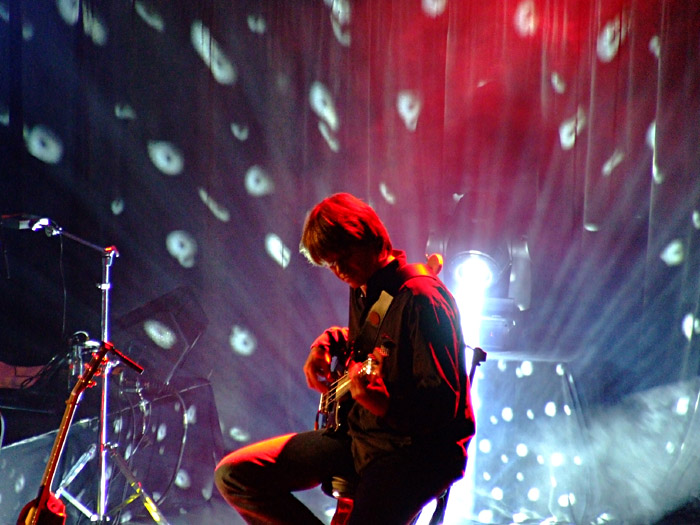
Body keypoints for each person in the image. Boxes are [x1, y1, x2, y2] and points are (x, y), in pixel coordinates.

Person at [214, 193, 475, 524]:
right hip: (361, 437)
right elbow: (369, 342)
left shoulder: (423, 298)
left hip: (413, 454)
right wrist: (324, 344)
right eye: (329, 264)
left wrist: (386, 406)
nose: (338, 271)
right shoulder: (366, 286)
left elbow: (443, 406)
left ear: (371, 237)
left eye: (344, 258)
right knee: (235, 476)